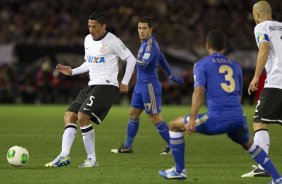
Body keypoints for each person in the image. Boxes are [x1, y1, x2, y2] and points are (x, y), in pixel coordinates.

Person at [159, 29, 282, 184]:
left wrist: (192, 118)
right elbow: (238, 94)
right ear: (224, 47)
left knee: (174, 125)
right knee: (249, 145)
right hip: (238, 117)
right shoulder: (235, 66)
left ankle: (179, 170)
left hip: (217, 117)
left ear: (207, 45)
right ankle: (277, 178)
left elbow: (198, 91)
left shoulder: (202, 64)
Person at [45, 11, 136, 168]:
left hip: (107, 86)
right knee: (69, 116)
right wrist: (72, 71)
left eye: (94, 26)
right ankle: (64, 155)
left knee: (82, 116)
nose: (91, 29)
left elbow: (131, 59)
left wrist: (125, 81)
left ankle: (92, 159)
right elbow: (89, 63)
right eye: (89, 26)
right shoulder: (87, 40)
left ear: (104, 26)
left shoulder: (113, 41)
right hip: (92, 85)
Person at [111, 17, 184, 155]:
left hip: (149, 86)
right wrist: (170, 75)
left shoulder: (150, 45)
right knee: (133, 114)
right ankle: (127, 146)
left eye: (144, 28)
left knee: (155, 117)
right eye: (139, 28)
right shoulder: (145, 43)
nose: (141, 31)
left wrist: (126, 57)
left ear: (151, 29)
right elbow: (161, 57)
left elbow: (143, 63)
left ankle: (173, 145)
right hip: (140, 86)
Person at [241, 1, 282, 178]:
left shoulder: (261, 27)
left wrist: (256, 77)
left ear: (257, 15)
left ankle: (263, 165)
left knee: (259, 120)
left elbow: (264, 49)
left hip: (276, 82)